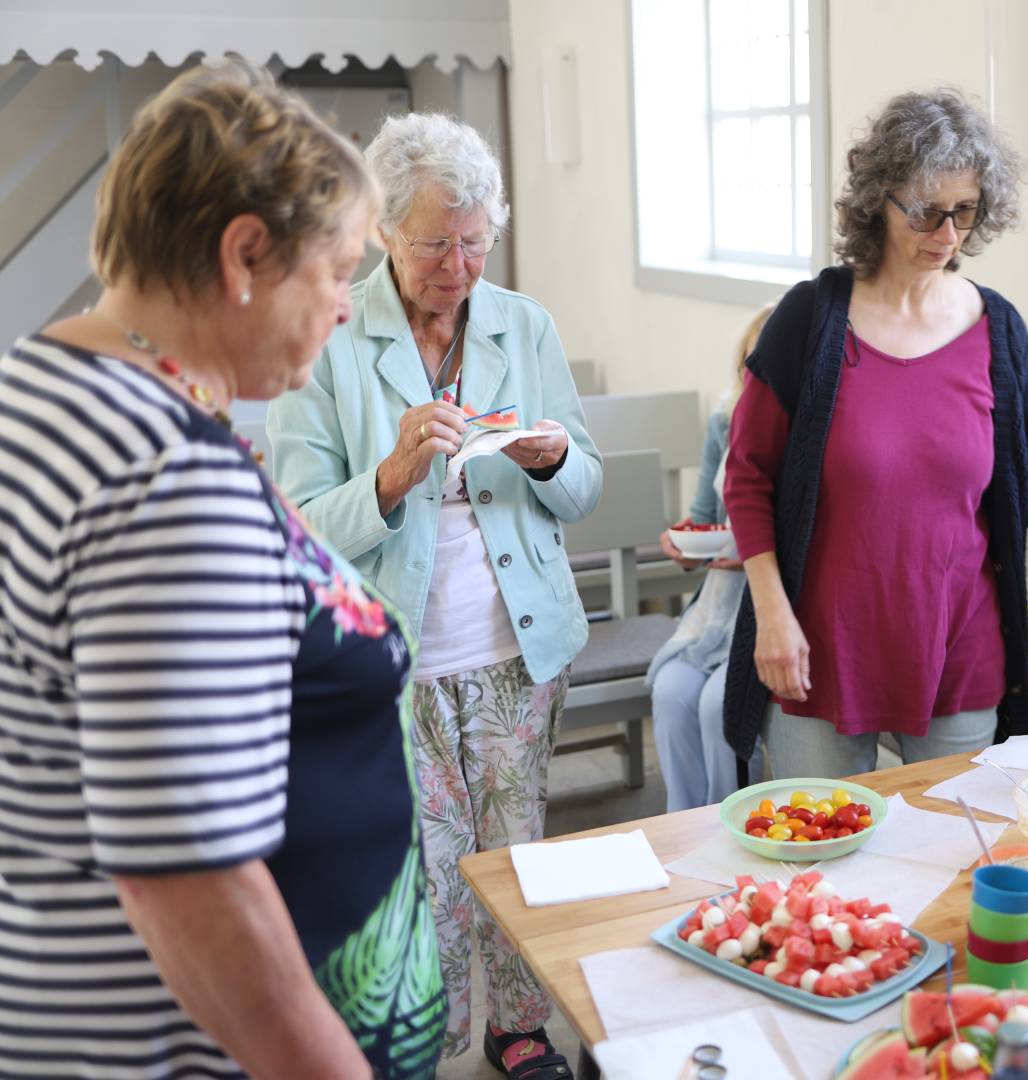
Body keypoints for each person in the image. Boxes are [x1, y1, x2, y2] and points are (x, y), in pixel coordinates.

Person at [0, 63, 445, 1078]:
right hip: (187, 1044)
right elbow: (191, 878)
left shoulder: (44, 383)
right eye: (336, 271)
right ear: (245, 252)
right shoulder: (165, 477)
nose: (345, 307)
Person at [724, 88, 1028, 779]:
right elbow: (748, 477)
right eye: (925, 212)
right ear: (880, 202)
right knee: (819, 857)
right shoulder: (812, 319)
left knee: (960, 851)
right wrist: (772, 614)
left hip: (958, 653)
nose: (947, 235)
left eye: (965, 212)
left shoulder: (996, 331)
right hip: (821, 649)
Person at [268, 112, 600, 1077]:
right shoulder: (331, 335)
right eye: (434, 243)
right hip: (396, 660)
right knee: (427, 877)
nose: (458, 264)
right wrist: (390, 474)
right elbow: (296, 525)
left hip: (517, 647)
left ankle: (520, 1028)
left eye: (475, 240)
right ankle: (433, 1040)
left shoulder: (523, 323)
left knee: (518, 857)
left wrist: (553, 458)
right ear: (383, 233)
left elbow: (582, 489)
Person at [648, 305, 775, 812]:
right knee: (672, 694)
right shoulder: (725, 420)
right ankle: (683, 831)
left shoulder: (808, 436)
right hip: (716, 609)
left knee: (715, 707)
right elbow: (701, 516)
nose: (754, 379)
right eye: (748, 367)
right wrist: (685, 544)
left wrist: (752, 553)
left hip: (768, 611)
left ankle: (735, 833)